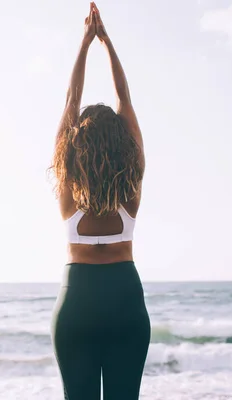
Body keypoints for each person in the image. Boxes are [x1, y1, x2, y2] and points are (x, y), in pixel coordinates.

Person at [49, 2, 150, 399]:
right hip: (125, 298)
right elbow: (124, 97)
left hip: (77, 301)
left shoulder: (67, 189)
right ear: (122, 147)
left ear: (76, 148)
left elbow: (70, 101)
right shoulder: (132, 188)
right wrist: (107, 42)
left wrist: (85, 43)